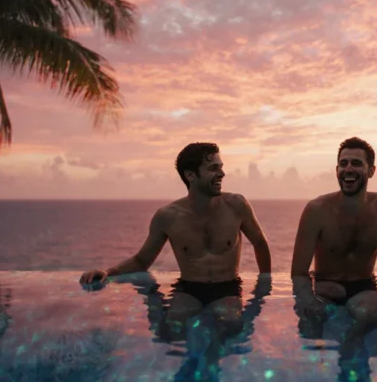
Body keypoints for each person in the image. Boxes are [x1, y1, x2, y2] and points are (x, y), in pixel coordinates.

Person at [79, 142, 272, 341]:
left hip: (227, 288)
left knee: (231, 327)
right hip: (189, 288)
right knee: (169, 331)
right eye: (214, 168)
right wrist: (108, 273)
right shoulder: (168, 216)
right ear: (190, 175)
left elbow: (259, 242)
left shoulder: (236, 205)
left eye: (221, 167)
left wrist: (264, 285)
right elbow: (142, 261)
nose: (222, 174)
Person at [290, 137, 377, 338]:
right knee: (308, 329)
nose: (348, 169)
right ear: (336, 170)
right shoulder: (316, 210)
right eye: (343, 163)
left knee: (370, 317)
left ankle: (350, 354)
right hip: (324, 289)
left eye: (356, 163)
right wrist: (308, 301)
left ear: (371, 171)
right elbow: (299, 272)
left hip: (363, 288)